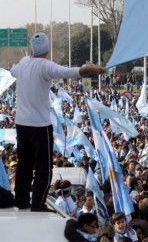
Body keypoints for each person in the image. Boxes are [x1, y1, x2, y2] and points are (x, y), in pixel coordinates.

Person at [11, 32, 105, 212]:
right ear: (47, 49)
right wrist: (90, 69)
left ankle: (21, 200)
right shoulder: (45, 66)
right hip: (39, 125)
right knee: (43, 167)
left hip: (21, 124)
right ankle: (38, 203)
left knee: (24, 164)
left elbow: (13, 70)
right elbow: (68, 71)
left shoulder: (23, 64)